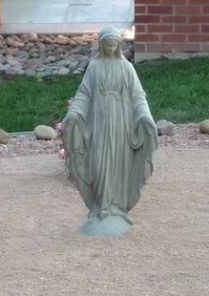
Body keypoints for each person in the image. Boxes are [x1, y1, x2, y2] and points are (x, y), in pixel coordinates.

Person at [62, 28, 157, 237]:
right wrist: (75, 112)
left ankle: (116, 208)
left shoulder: (127, 68)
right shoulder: (94, 67)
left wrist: (144, 116)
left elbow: (138, 96)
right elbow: (84, 94)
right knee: (100, 162)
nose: (111, 47)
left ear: (119, 46)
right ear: (102, 45)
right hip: (100, 123)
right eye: (108, 43)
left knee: (118, 163)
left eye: (115, 43)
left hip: (121, 124)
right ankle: (101, 207)